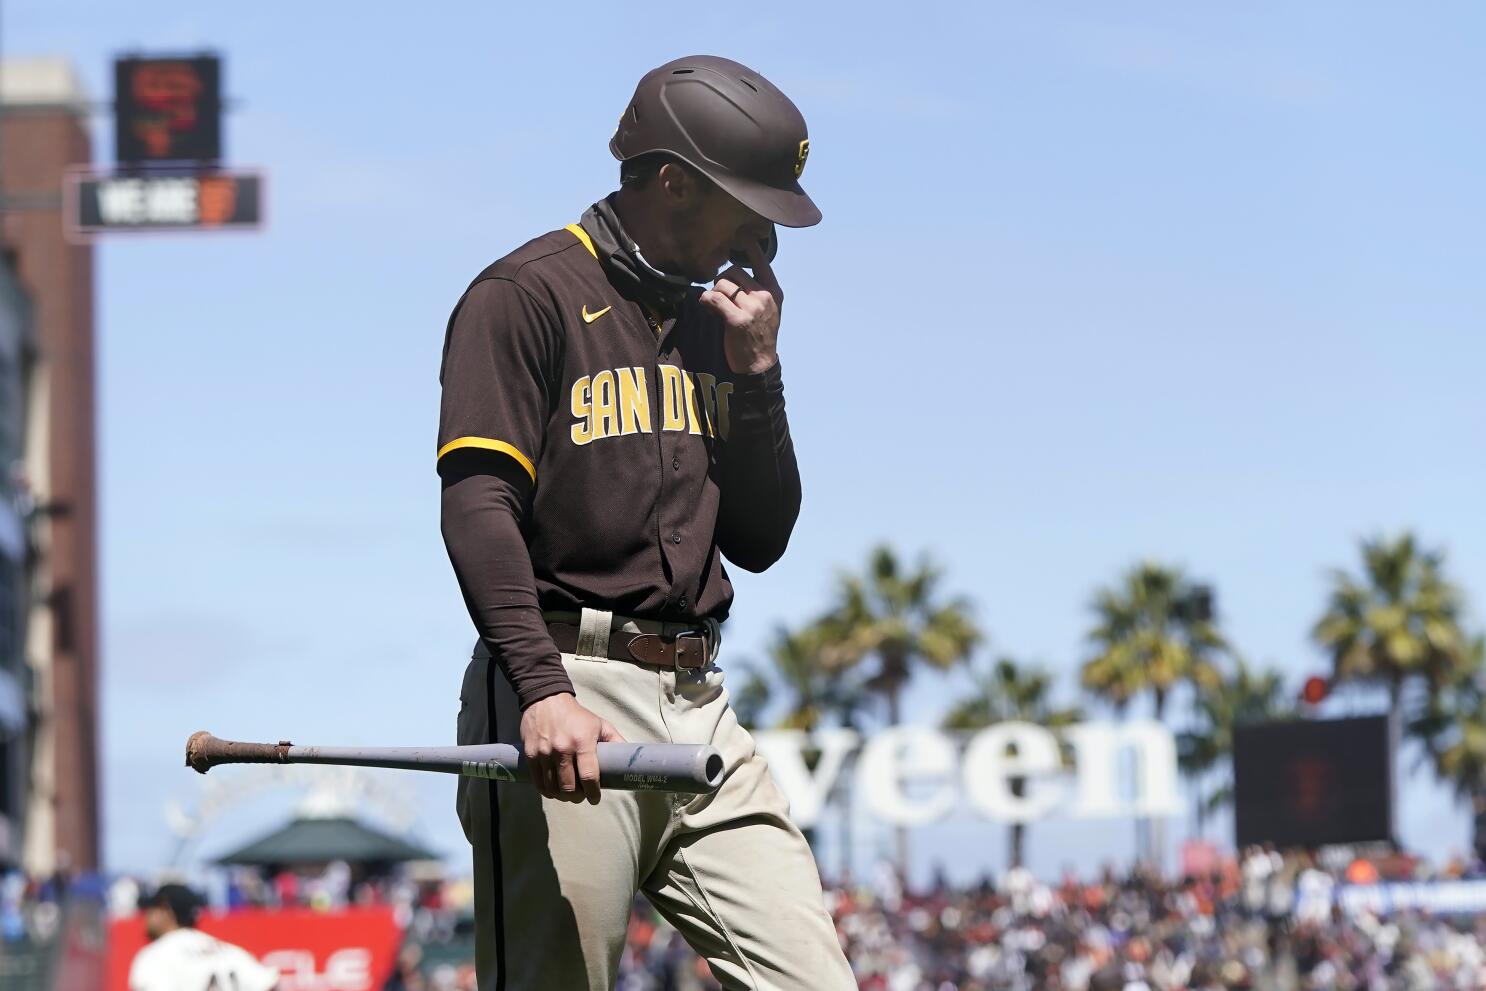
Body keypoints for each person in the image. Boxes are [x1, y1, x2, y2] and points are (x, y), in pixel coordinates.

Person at [440, 55, 853, 990]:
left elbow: (761, 538)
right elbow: (476, 508)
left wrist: (758, 374)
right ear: (672, 182)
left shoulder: (721, 319)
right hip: (562, 685)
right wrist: (539, 687)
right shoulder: (524, 295)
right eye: (745, 202)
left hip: (698, 699)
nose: (765, 234)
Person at [128, 883, 279, 991]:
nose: (146, 915)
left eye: (151, 908)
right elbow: (269, 985)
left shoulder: (156, 956)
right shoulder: (232, 952)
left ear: (166, 910)